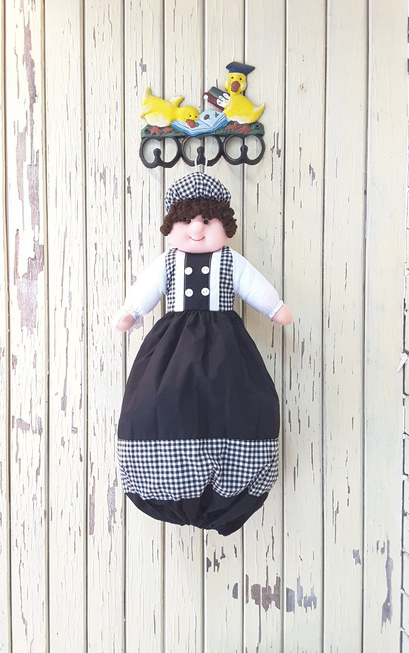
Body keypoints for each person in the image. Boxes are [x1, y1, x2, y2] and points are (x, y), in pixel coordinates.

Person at [115, 172, 292, 536]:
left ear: (223, 224)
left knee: (235, 400)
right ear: (172, 225)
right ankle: (168, 476)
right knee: (158, 402)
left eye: (208, 220)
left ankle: (231, 479)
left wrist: (274, 308)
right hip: (171, 348)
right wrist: (131, 312)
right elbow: (147, 289)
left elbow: (253, 286)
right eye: (187, 220)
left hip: (226, 347)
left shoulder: (230, 261)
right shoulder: (168, 263)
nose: (197, 229)